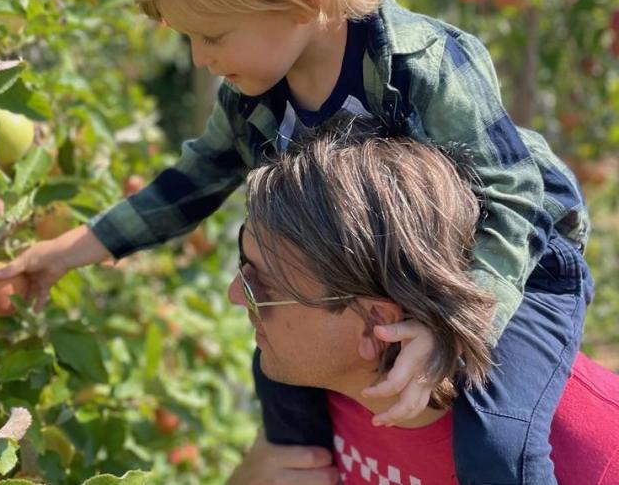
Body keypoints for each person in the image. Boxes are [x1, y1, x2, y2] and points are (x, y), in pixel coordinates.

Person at [0, 0, 592, 482]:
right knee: (281, 376)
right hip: (397, 276)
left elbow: (512, 197)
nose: (199, 57)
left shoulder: (423, 66)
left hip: (516, 263)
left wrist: (455, 325)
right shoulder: (256, 96)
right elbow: (190, 183)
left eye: (212, 34)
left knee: (496, 446)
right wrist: (72, 248)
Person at [224, 116, 611, 485]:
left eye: (265, 289)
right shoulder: (316, 398)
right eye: (244, 267)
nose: (234, 295)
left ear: (379, 322)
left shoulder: (594, 459)